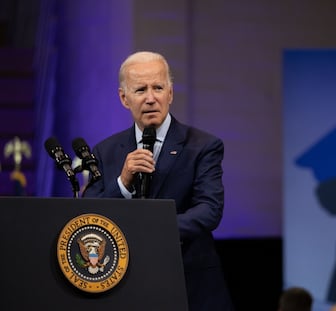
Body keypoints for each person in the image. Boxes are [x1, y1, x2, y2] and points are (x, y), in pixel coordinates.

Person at [83, 51, 234, 311]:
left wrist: (155, 231)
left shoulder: (203, 146)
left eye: (158, 88)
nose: (151, 98)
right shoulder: (104, 151)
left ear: (170, 94)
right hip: (123, 286)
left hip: (190, 283)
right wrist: (123, 182)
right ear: (124, 98)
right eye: (141, 89)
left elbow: (209, 210)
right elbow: (90, 214)